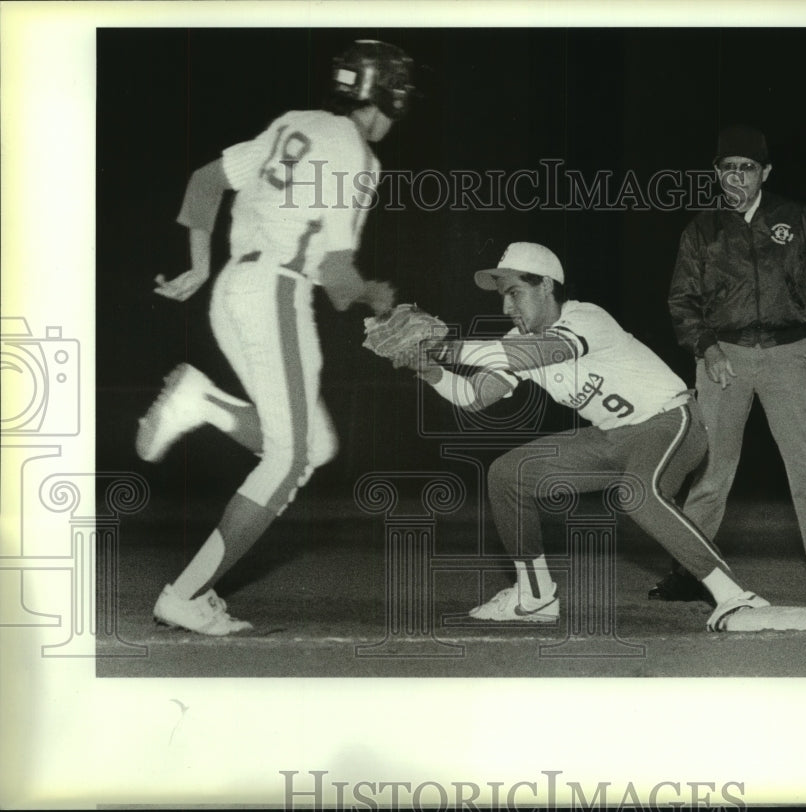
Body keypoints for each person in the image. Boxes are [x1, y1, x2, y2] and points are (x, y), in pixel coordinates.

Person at [135, 40, 414, 635]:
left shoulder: (295, 122)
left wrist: (199, 267)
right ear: (385, 92)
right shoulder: (359, 156)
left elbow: (204, 182)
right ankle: (184, 595)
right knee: (289, 460)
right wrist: (378, 297)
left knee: (315, 446)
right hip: (279, 295)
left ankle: (202, 401)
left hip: (235, 288)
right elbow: (337, 278)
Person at [408, 241, 770, 631]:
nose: (506, 308)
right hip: (612, 438)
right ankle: (535, 597)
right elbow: (474, 396)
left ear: (546, 285)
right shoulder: (515, 342)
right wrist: (431, 371)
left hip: (671, 422)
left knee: (638, 491)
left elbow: (537, 355)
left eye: (514, 293)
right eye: (503, 297)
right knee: (508, 473)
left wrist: (446, 348)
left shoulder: (586, 318)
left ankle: (736, 597)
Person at [650, 124, 806, 604]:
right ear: (717, 173)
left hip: (788, 352)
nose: (737, 176)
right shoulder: (702, 228)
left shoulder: (794, 218)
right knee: (712, 468)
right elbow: (682, 300)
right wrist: (707, 349)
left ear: (765, 172)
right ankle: (692, 572)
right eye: (728, 168)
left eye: (748, 168)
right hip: (725, 356)